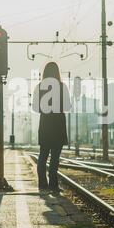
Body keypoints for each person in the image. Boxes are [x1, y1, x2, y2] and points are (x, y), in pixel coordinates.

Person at [32, 62, 71, 194]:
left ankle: (42, 185)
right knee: (55, 157)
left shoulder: (39, 87)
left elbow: (35, 108)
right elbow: (67, 107)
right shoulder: (62, 87)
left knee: (43, 156)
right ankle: (53, 185)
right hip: (58, 124)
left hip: (45, 124)